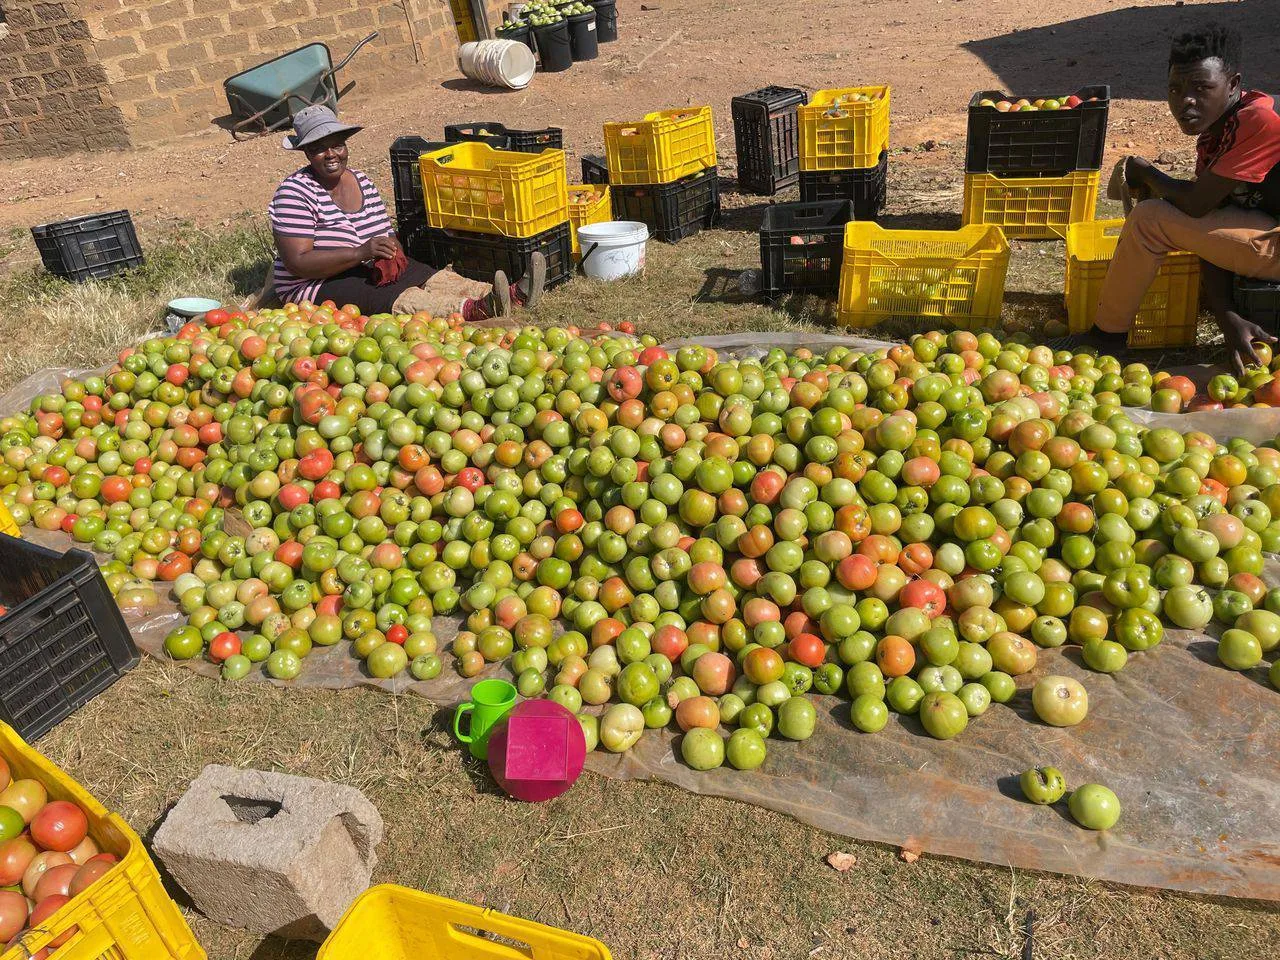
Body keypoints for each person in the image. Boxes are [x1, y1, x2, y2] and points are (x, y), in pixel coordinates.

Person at [1058, 23, 1280, 371]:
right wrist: (1227, 317)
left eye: (1202, 88)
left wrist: (1146, 171)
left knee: (1150, 219)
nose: (1185, 100)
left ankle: (1106, 338)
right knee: (1163, 213)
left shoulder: (1260, 121)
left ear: (1233, 84)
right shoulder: (1220, 131)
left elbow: (1195, 205)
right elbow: (1204, 218)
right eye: (1175, 89)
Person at [267, 105, 545, 320]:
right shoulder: (295, 192)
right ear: (305, 153)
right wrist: (361, 253)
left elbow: (383, 234)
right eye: (318, 149)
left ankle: (508, 295)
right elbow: (298, 262)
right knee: (399, 295)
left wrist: (391, 251)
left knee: (426, 275)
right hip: (317, 284)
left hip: (362, 264)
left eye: (337, 145)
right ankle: (473, 310)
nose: (331, 155)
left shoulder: (361, 180)